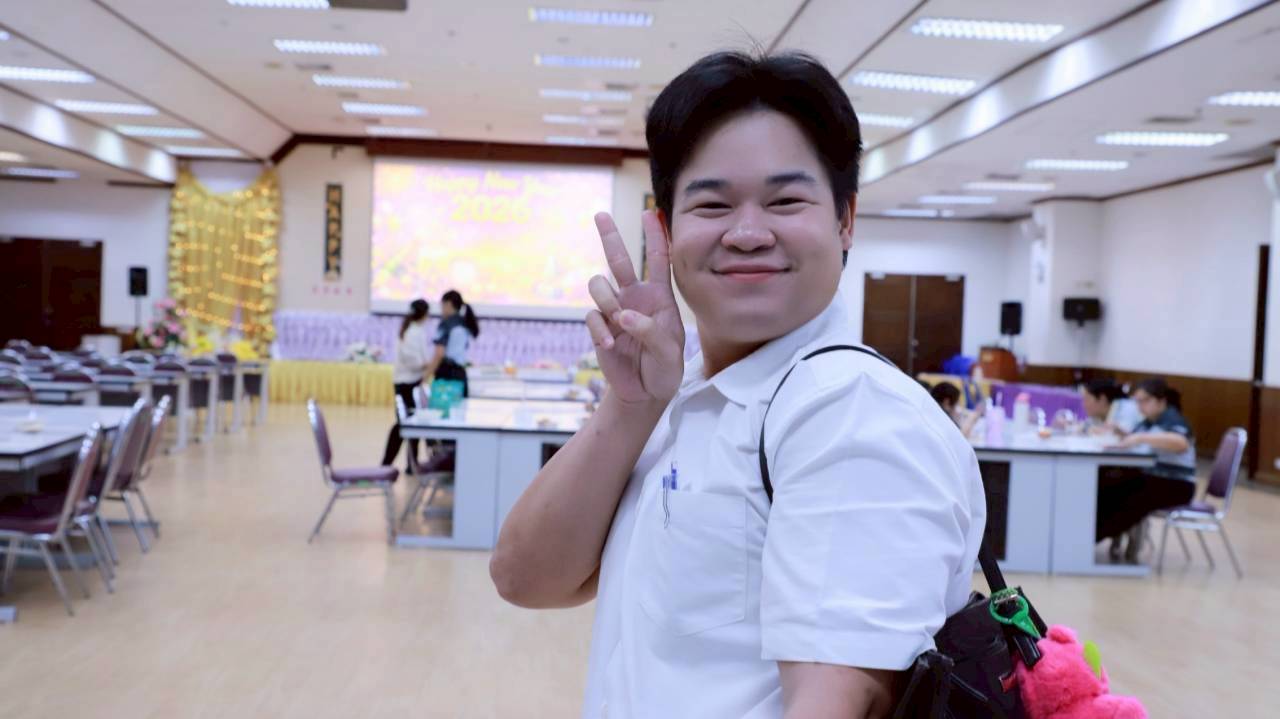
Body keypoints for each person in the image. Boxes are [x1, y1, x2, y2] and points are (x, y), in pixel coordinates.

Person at [490, 51, 986, 719]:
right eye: (713, 204)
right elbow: (525, 577)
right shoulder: (688, 392)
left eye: (785, 201)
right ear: (666, 231)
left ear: (845, 220)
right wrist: (633, 403)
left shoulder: (850, 412)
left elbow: (845, 701)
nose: (748, 233)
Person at [1097, 378, 1197, 562]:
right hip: (1155, 478)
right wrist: (1123, 433)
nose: (1140, 406)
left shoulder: (1173, 419)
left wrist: (1141, 437)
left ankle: (1097, 537)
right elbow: (1140, 440)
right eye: (1137, 401)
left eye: (1145, 401)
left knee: (1125, 494)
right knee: (1106, 483)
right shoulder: (1149, 421)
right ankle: (1093, 536)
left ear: (1161, 401)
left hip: (1176, 485)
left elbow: (1180, 443)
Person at [381, 299, 430, 471]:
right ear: (424, 314)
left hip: (409, 381)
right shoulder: (413, 332)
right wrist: (428, 365)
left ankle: (411, 463)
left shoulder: (413, 330)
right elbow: (412, 360)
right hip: (407, 383)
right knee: (404, 424)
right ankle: (387, 463)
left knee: (411, 424)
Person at [425, 289, 479, 398]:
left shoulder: (446, 324)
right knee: (460, 407)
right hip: (460, 374)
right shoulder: (464, 323)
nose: (441, 310)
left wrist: (426, 376)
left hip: (446, 374)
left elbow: (439, 354)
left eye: (442, 306)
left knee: (442, 406)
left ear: (448, 304)